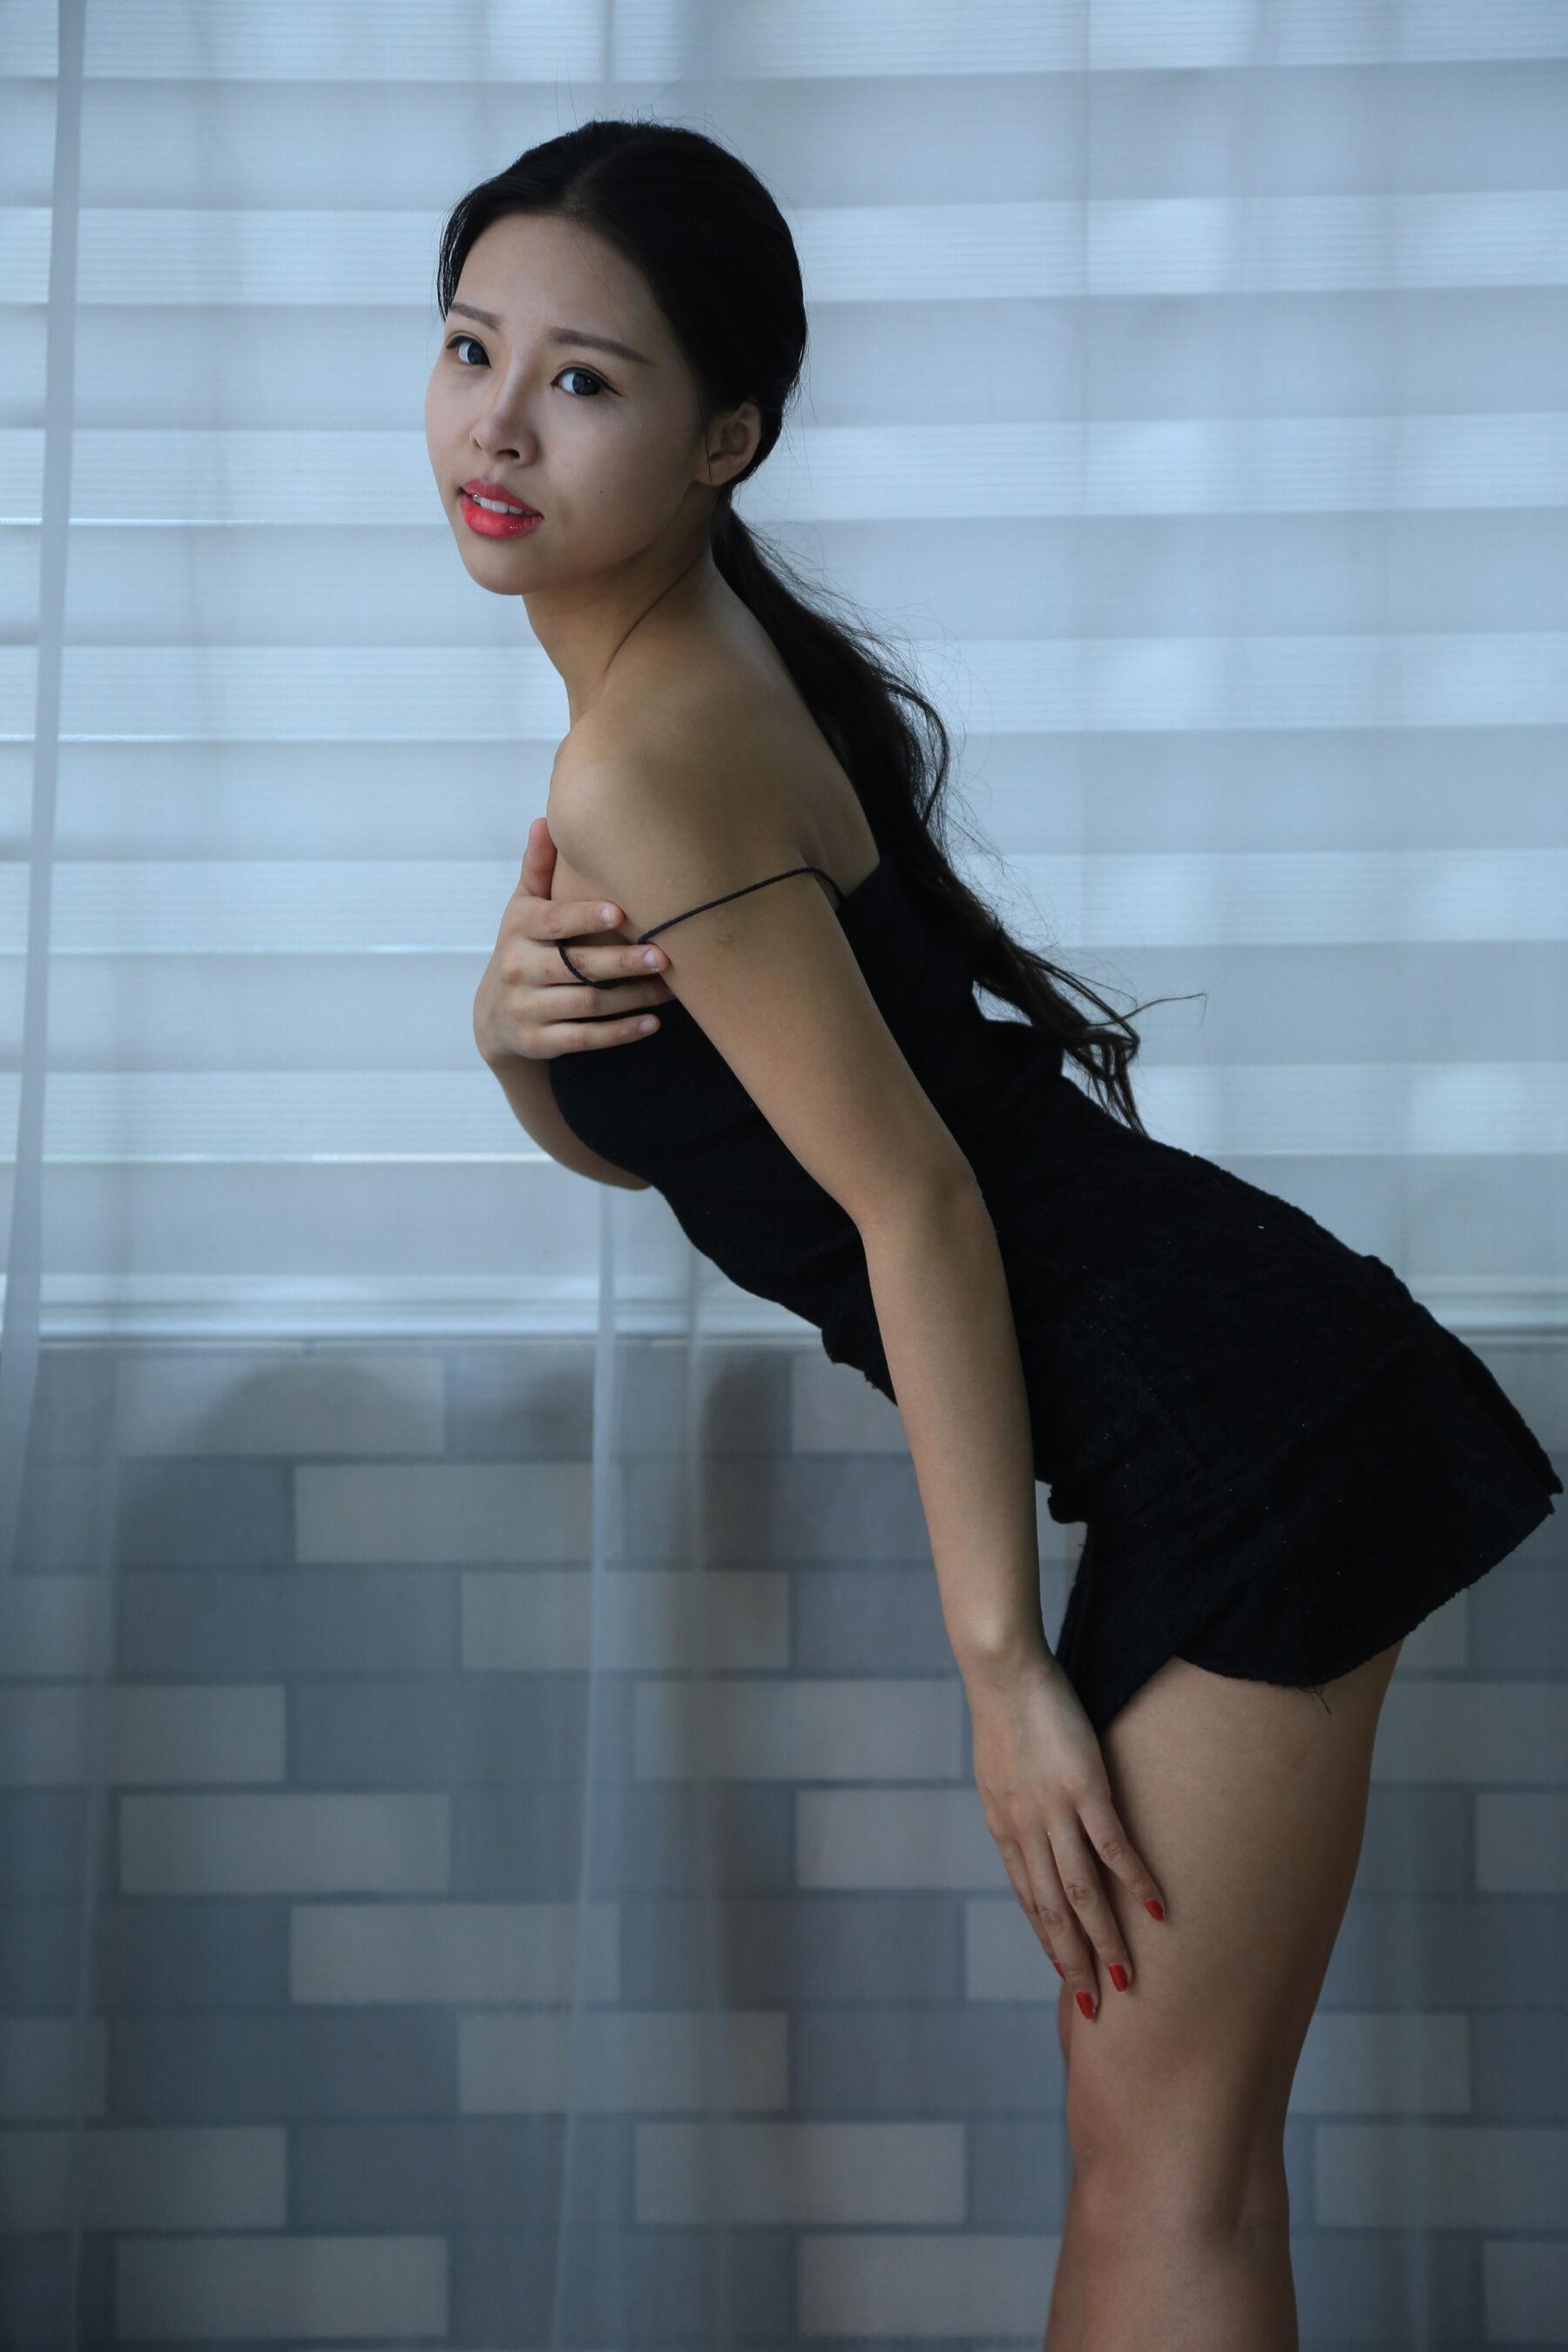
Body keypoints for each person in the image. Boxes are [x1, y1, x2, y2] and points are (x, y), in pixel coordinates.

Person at [427, 117, 1561, 2351]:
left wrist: (1003, 1678)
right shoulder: (670, 691)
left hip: (1256, 1431)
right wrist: (510, 1048)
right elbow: (715, 1155)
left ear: (726, 436)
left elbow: (915, 1207)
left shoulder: (655, 749)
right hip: (1227, 1411)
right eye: (472, 349)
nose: (499, 425)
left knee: (1165, 2168)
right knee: (1162, 2160)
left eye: (585, 378)